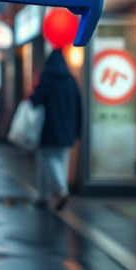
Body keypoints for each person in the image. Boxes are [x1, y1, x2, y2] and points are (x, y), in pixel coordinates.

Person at [29, 47, 82, 210]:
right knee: (60, 160)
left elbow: (35, 100)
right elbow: (79, 107)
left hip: (48, 128)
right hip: (67, 129)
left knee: (46, 157)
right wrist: (78, 131)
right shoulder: (71, 81)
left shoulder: (47, 78)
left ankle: (60, 189)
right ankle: (43, 195)